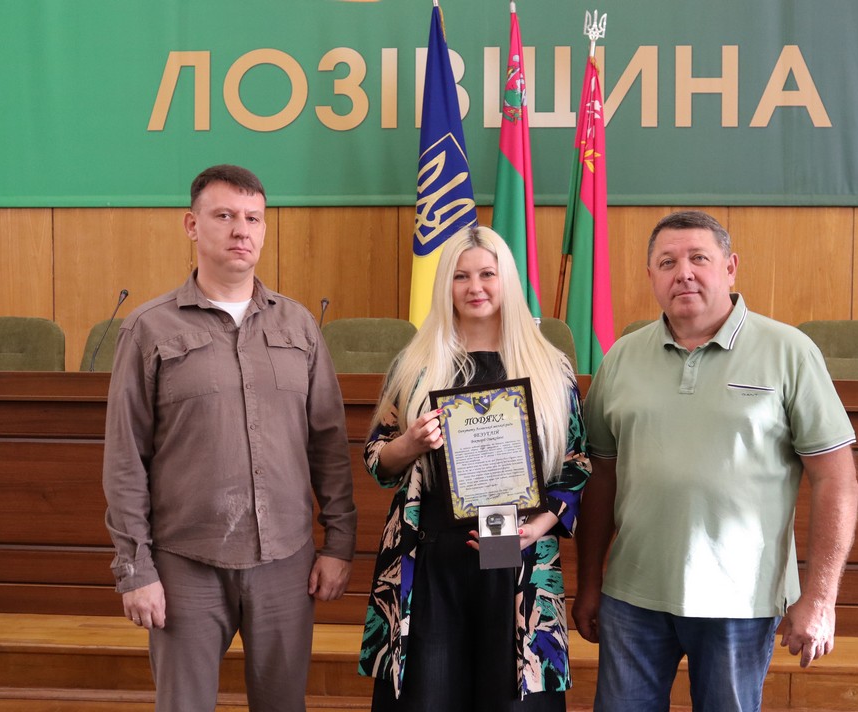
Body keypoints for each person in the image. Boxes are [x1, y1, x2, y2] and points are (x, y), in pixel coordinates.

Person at [574, 210, 858, 712]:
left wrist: (820, 598)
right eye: (667, 262)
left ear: (730, 267)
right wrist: (590, 582)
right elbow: (600, 476)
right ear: (651, 276)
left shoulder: (789, 351)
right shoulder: (620, 357)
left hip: (740, 602)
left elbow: (836, 479)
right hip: (632, 596)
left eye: (698, 259)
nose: (683, 273)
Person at [102, 164, 357, 712]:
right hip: (185, 563)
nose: (242, 230)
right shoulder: (149, 328)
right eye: (224, 216)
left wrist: (339, 544)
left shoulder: (298, 326)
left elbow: (329, 445)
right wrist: (135, 569)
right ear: (192, 225)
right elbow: (126, 458)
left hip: (286, 563)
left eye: (253, 218)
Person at [358, 226, 591, 711]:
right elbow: (378, 461)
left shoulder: (550, 367)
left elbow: (576, 463)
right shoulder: (414, 365)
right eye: (460, 276)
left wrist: (537, 527)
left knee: (510, 698)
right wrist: (409, 442)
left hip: (515, 547)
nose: (475, 287)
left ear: (507, 280)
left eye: (487, 274)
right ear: (445, 285)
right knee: (426, 698)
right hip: (429, 553)